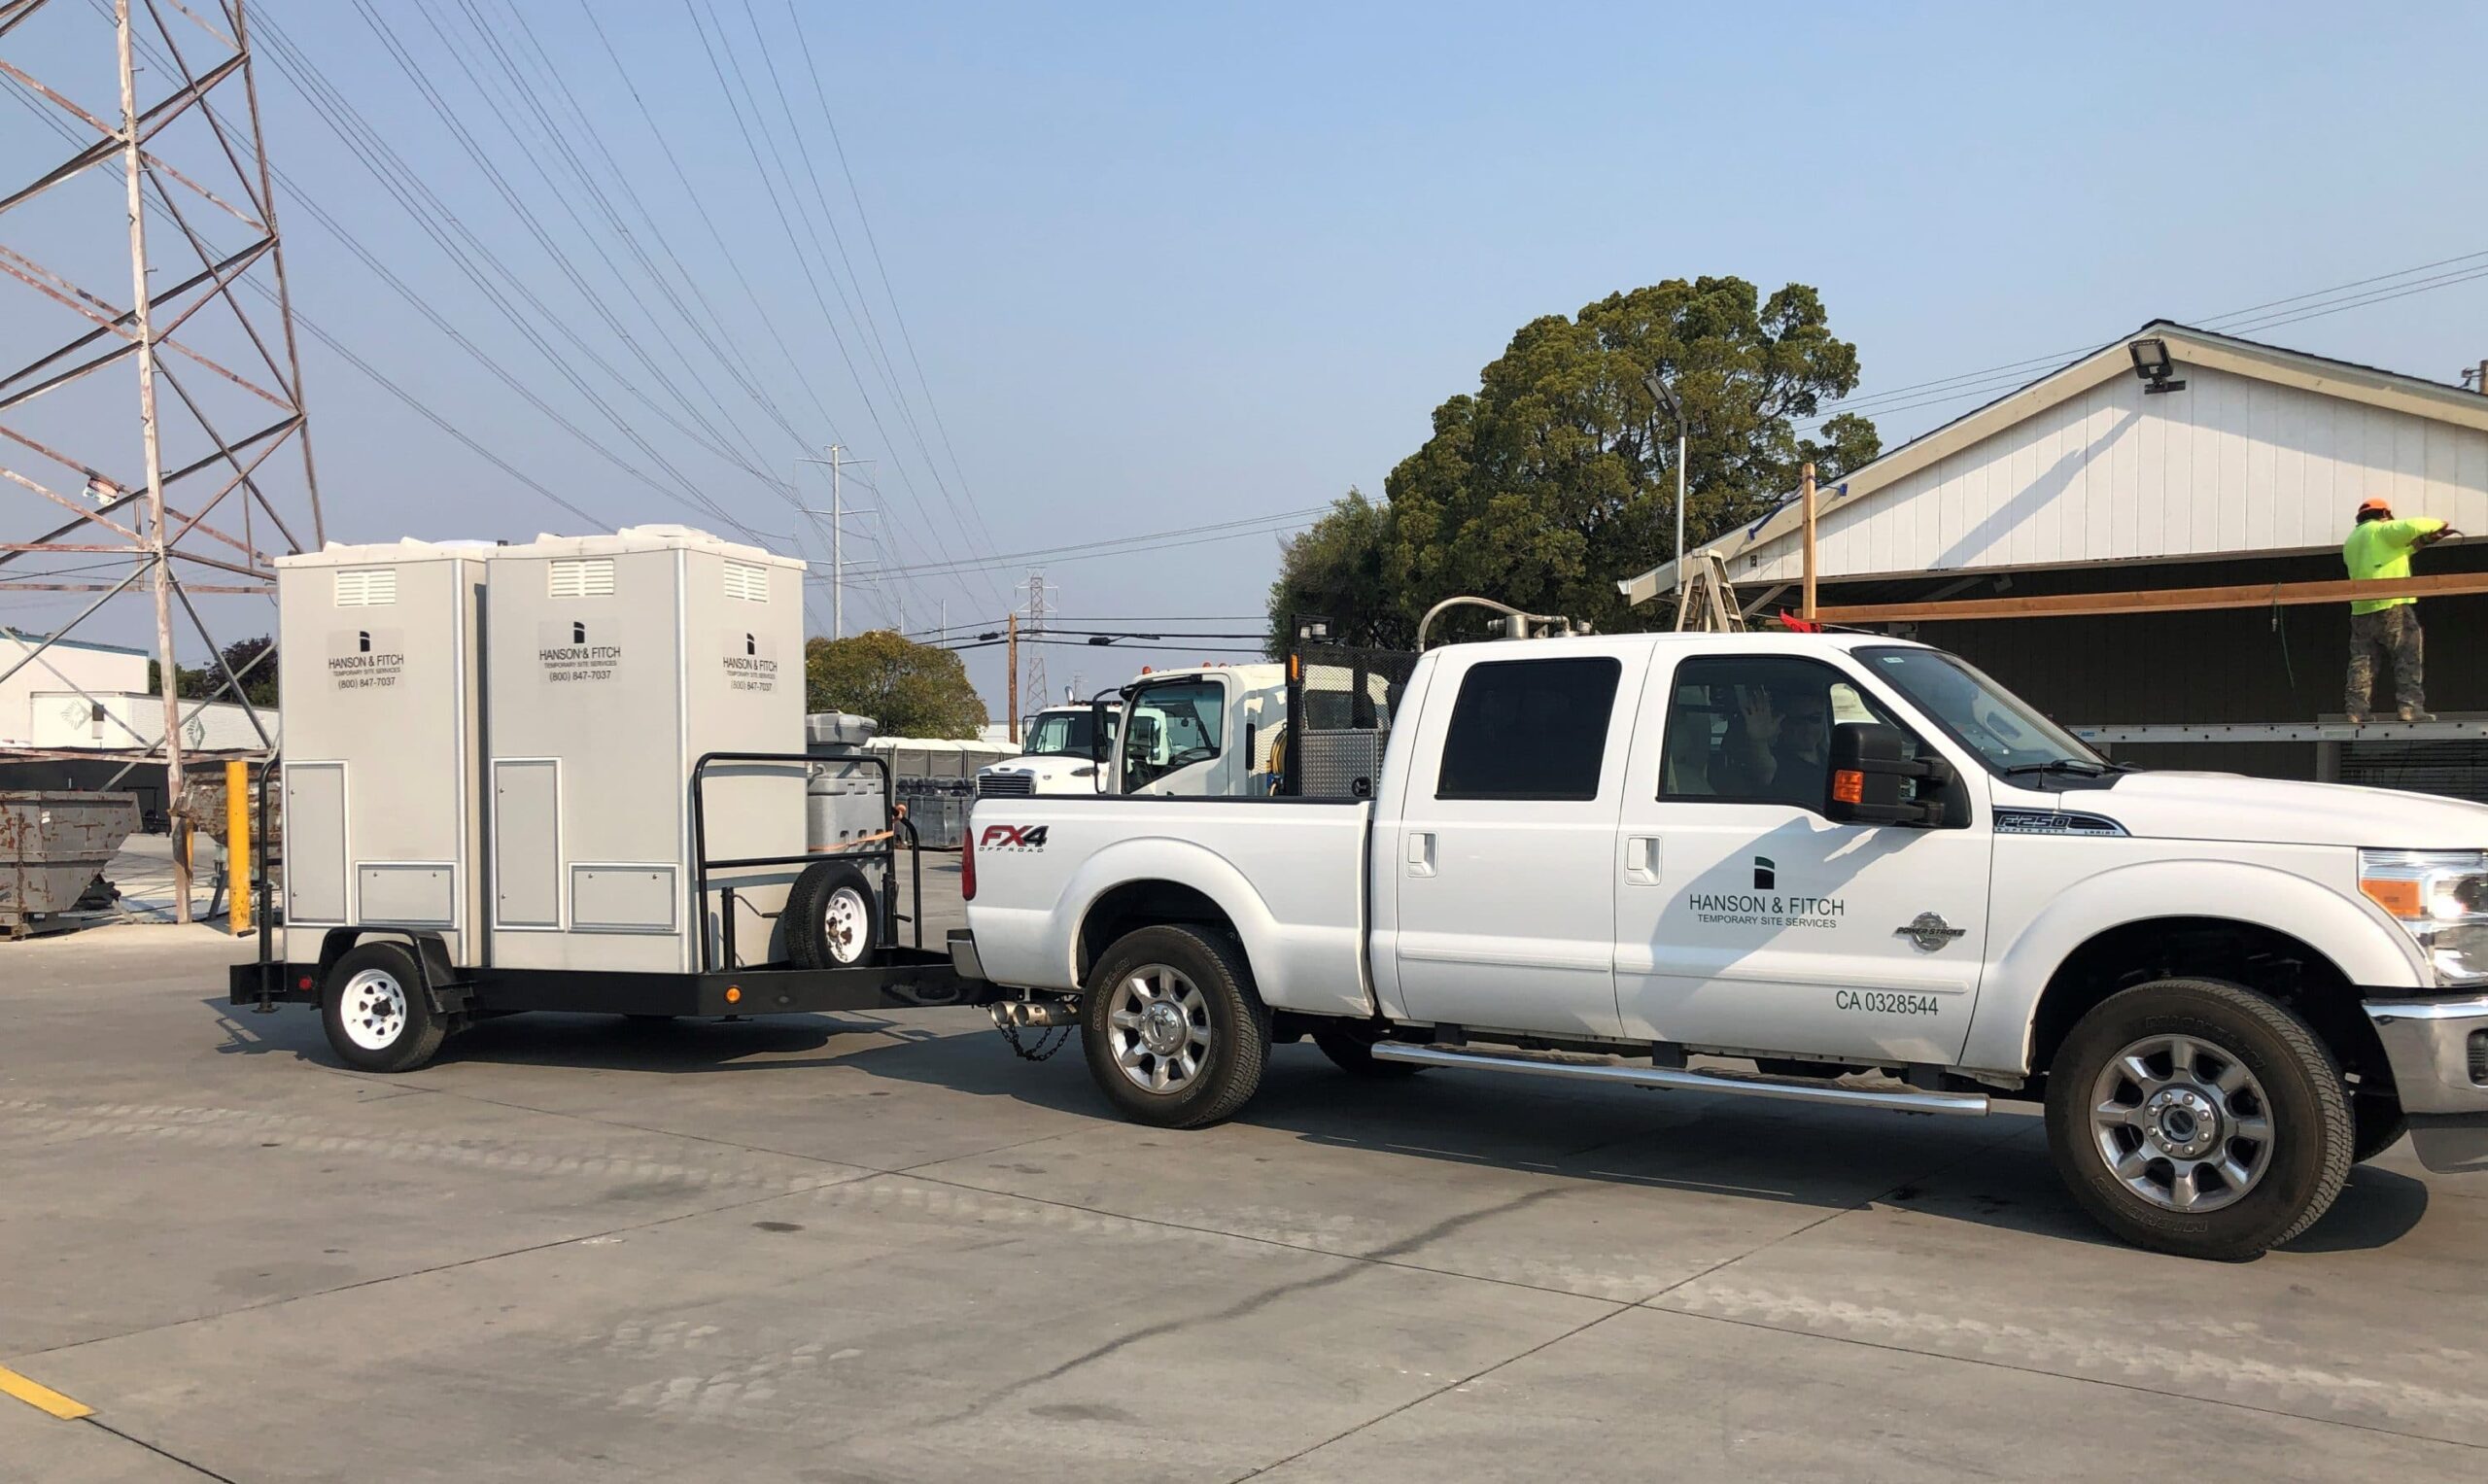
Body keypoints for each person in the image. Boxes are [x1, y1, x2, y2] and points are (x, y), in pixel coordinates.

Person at [2342, 497, 2457, 724]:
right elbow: (2414, 526)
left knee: (2362, 662)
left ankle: (2356, 711)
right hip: (2392, 605)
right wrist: (2439, 524)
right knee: (2407, 655)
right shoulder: (2381, 530)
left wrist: (2425, 541)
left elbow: (2400, 552)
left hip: (2362, 609)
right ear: (2384, 514)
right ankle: (2411, 709)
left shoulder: (2353, 541)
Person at [1719, 680, 1832, 807]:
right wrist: (1759, 740)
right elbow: (1764, 770)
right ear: (1781, 722)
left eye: (1815, 718)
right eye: (1797, 721)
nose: (1807, 727)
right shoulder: (1778, 762)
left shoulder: (1829, 758)